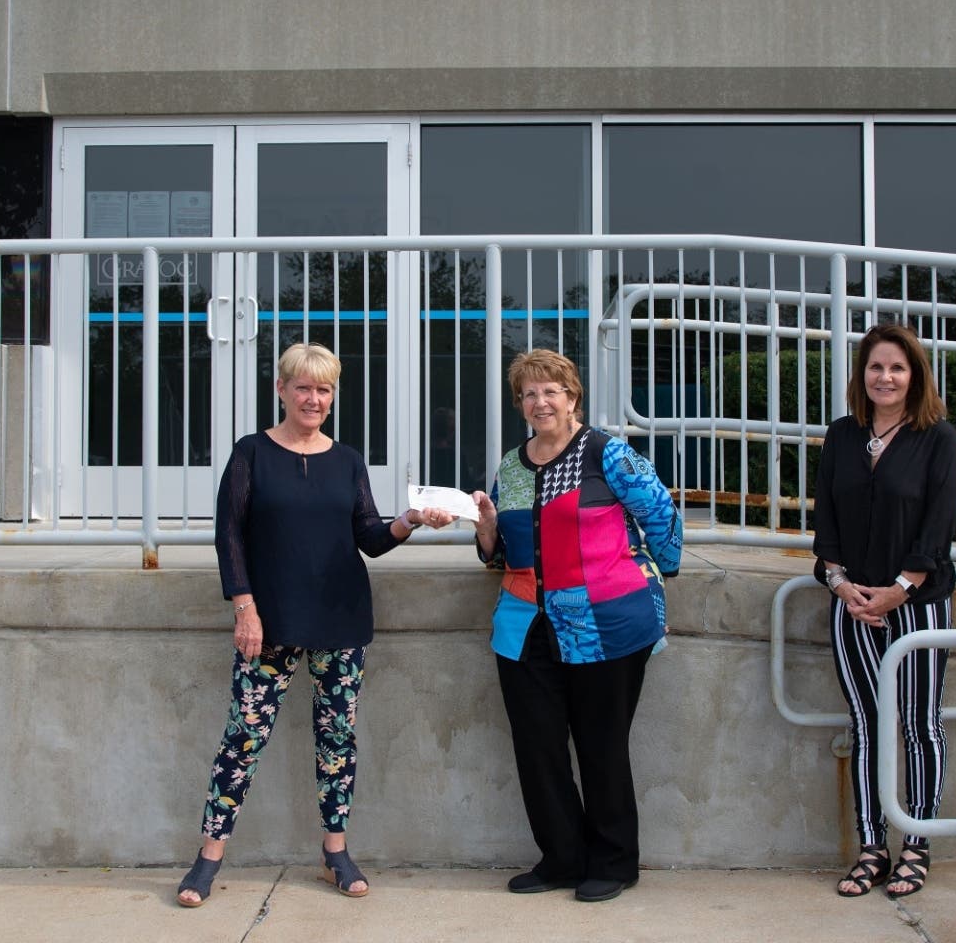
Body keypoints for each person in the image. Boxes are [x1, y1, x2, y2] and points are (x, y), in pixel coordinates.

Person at [175, 341, 456, 908]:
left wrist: (410, 520)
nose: (313, 398)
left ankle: (335, 851)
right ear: (281, 390)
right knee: (243, 740)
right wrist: (245, 606)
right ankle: (208, 858)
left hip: (340, 621)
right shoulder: (252, 452)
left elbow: (370, 539)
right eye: (302, 386)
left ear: (333, 396)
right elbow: (228, 534)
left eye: (324, 388)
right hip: (269, 622)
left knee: (337, 742)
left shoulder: (348, 460)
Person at [469, 348, 683, 904]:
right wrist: (488, 529)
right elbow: (501, 555)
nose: (540, 402)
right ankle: (561, 858)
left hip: (605, 621)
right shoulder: (512, 467)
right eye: (529, 394)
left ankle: (614, 862)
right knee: (537, 747)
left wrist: (662, 571)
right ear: (520, 404)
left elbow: (660, 515)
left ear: (572, 396)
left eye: (551, 391)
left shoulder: (607, 453)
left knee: (601, 744)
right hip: (524, 624)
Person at [810, 321, 956, 902]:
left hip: (915, 604)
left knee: (919, 724)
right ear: (862, 374)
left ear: (914, 375)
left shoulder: (937, 437)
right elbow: (826, 522)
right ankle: (872, 845)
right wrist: (842, 584)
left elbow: (938, 523)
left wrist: (901, 586)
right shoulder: (843, 435)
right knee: (869, 724)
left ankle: (916, 844)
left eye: (897, 367)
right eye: (876, 366)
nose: (886, 377)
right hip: (851, 605)